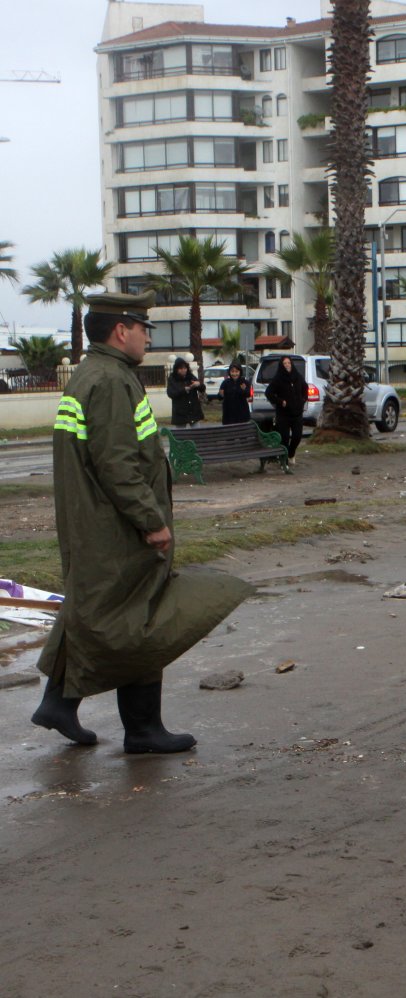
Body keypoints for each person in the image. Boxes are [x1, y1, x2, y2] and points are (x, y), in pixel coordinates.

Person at [30, 292, 254, 753]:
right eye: (143, 328)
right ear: (120, 330)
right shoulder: (112, 381)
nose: (148, 337)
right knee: (140, 617)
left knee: (95, 610)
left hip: (94, 523)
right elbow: (117, 464)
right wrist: (151, 521)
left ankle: (58, 704)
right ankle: (143, 729)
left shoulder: (93, 375)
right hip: (116, 527)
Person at [265, 355, 308, 465]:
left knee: (297, 436)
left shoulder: (297, 376)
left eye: (289, 363)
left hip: (297, 412)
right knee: (284, 438)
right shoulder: (278, 379)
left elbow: (305, 388)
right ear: (281, 365)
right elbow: (269, 393)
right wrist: (280, 401)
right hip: (283, 414)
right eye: (285, 363)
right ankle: (284, 460)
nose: (287, 365)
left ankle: (291, 453)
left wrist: (303, 400)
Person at [166, 357, 205, 427]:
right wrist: (184, 390)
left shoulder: (190, 376)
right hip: (180, 411)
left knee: (197, 433)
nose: (184, 370)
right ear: (176, 369)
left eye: (185, 368)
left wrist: (198, 384)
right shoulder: (172, 378)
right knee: (181, 435)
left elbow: (202, 388)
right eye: (181, 368)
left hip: (193, 410)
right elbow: (171, 393)